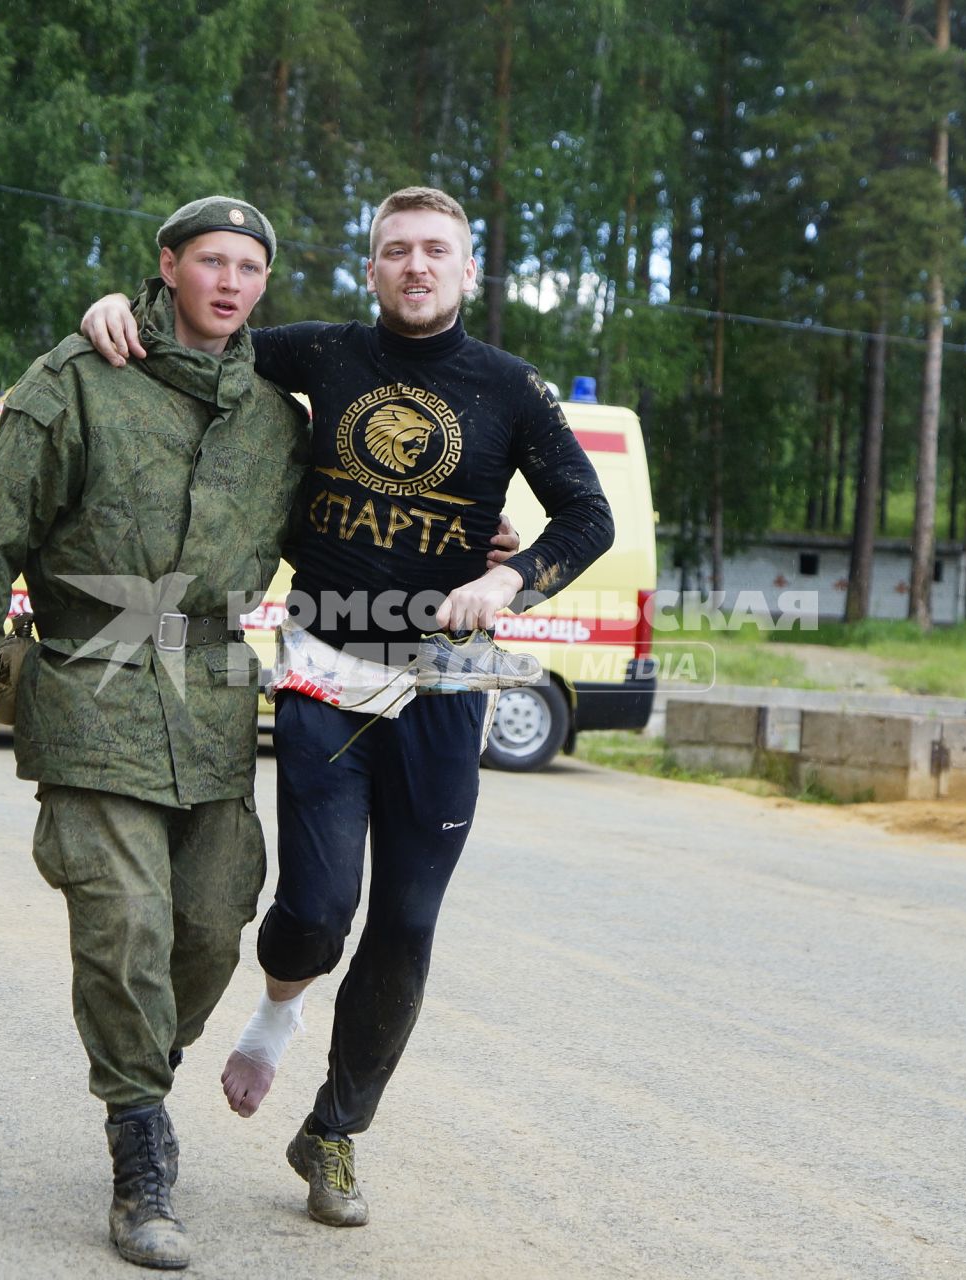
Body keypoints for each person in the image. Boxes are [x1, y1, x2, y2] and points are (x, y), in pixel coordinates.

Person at [79, 186, 614, 1229]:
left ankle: (333, 1129)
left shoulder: (508, 388)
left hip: (443, 682)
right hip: (325, 668)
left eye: (435, 252)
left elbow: (584, 512)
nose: (415, 267)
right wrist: (114, 308)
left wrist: (511, 581)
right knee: (318, 907)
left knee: (406, 923)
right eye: (394, 251)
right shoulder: (320, 355)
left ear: (469, 271)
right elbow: (201, 335)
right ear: (369, 269)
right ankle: (277, 1015)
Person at [0, 197, 315, 1272]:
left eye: (249, 267)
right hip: (90, 681)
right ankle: (139, 1143)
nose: (229, 283)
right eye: (210, 261)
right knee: (125, 917)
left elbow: (343, 527)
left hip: (212, 690)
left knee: (212, 921)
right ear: (168, 265)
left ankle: (145, 1057)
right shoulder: (80, 379)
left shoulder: (279, 413)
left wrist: (469, 531)